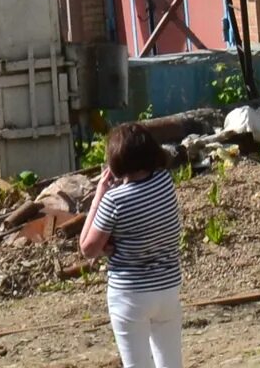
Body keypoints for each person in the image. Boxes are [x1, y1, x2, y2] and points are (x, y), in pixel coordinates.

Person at [77, 121, 183, 368]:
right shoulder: (165, 182)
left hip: (130, 294)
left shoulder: (114, 200)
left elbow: (87, 248)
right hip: (167, 289)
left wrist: (99, 194)